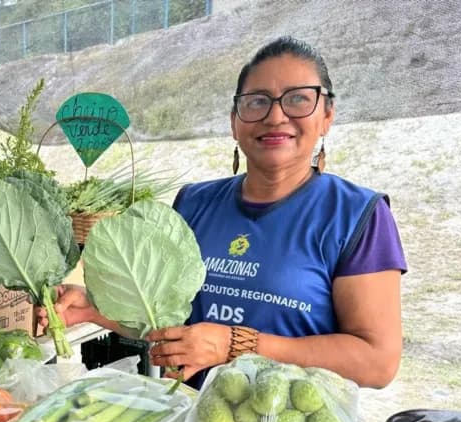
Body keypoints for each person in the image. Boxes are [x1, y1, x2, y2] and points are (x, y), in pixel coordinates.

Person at [40, 37, 406, 389]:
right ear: (235, 121)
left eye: (297, 99)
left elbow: (376, 362)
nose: (276, 116)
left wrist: (237, 345)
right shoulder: (194, 203)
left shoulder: (357, 215)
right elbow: (175, 322)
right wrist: (94, 308)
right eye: (256, 102)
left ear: (327, 116)